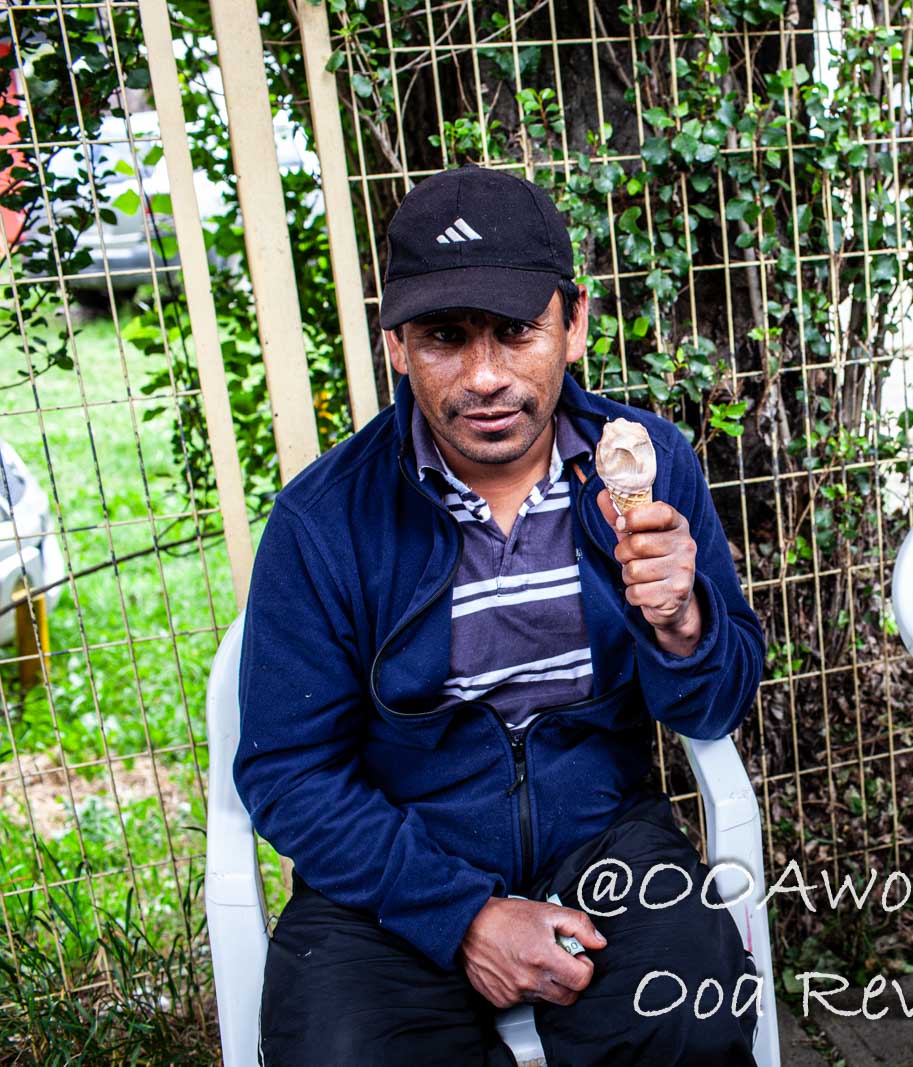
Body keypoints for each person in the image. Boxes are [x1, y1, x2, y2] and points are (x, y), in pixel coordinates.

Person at [235, 164, 766, 1067]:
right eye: (446, 336)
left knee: (692, 1023)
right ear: (397, 345)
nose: (485, 376)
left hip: (603, 833)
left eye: (516, 331)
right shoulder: (323, 520)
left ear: (574, 323)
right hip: (393, 861)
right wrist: (463, 914)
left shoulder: (646, 462)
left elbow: (715, 706)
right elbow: (288, 770)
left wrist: (683, 623)